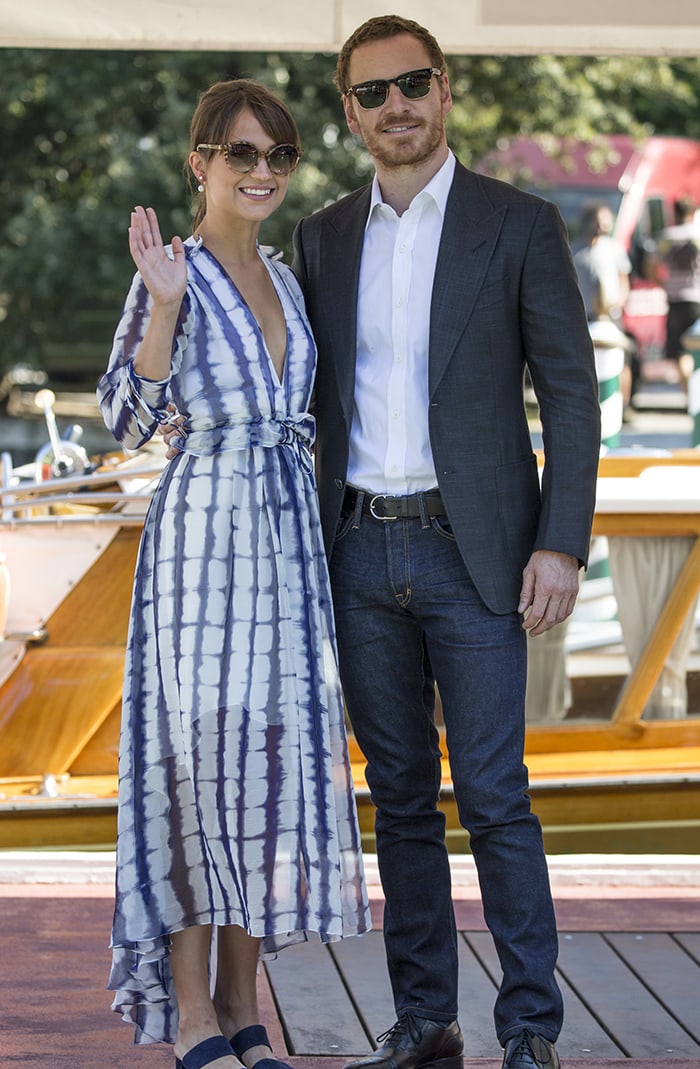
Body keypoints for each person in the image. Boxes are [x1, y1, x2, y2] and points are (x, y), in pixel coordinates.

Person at [292, 15, 601, 1069]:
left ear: (446, 89)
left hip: (477, 558)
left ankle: (530, 1030)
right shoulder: (323, 236)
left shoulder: (518, 224)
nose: (396, 108)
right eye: (372, 94)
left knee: (495, 795)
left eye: (412, 84)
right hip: (357, 554)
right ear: (349, 114)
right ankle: (425, 1021)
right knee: (401, 800)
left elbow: (570, 394)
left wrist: (559, 542)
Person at [97, 79, 370, 1069]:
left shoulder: (293, 281)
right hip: (202, 546)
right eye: (241, 154)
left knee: (270, 762)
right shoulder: (169, 271)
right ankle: (192, 1014)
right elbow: (126, 419)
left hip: (289, 550)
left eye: (278, 157)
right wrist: (163, 312)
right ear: (199, 164)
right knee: (193, 767)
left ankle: (242, 1001)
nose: (261, 172)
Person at [572, 201, 636, 409]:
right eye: (599, 221)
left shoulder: (614, 249)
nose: (604, 226)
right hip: (584, 316)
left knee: (621, 359)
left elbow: (623, 277)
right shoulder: (575, 251)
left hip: (611, 314)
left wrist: (620, 301)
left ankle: (622, 404)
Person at [652, 197, 700, 393]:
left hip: (675, 299)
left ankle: (689, 394)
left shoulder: (666, 237)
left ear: (675, 213)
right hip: (697, 299)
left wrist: (662, 283)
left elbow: (650, 265)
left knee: (681, 351)